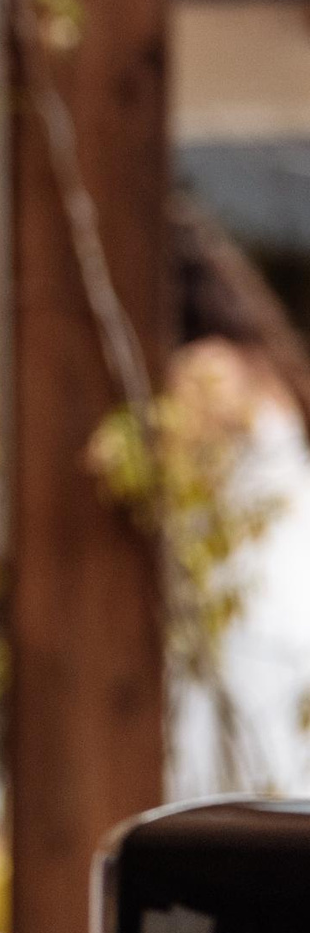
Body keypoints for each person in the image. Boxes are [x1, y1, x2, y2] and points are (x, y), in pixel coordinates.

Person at [161, 209, 310, 800]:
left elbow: (166, 497)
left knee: (228, 802)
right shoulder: (266, 363)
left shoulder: (207, 371)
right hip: (290, 600)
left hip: (248, 619)